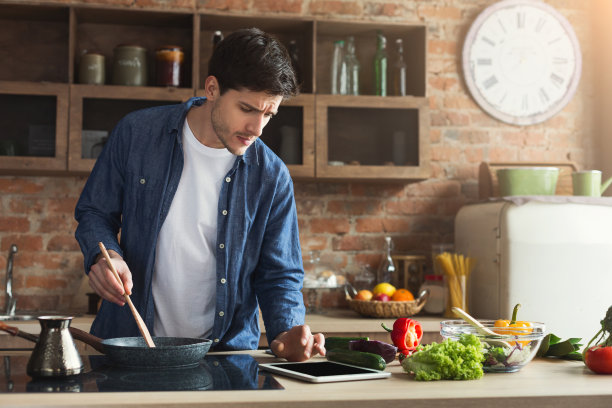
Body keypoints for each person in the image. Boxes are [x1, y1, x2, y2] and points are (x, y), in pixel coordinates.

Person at [74, 28, 325, 362]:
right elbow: (94, 213)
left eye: (269, 114)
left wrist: (288, 332)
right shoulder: (137, 134)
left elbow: (279, 273)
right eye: (247, 108)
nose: (258, 128)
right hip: (128, 348)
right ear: (212, 88)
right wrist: (105, 257)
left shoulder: (272, 175)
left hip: (224, 358)